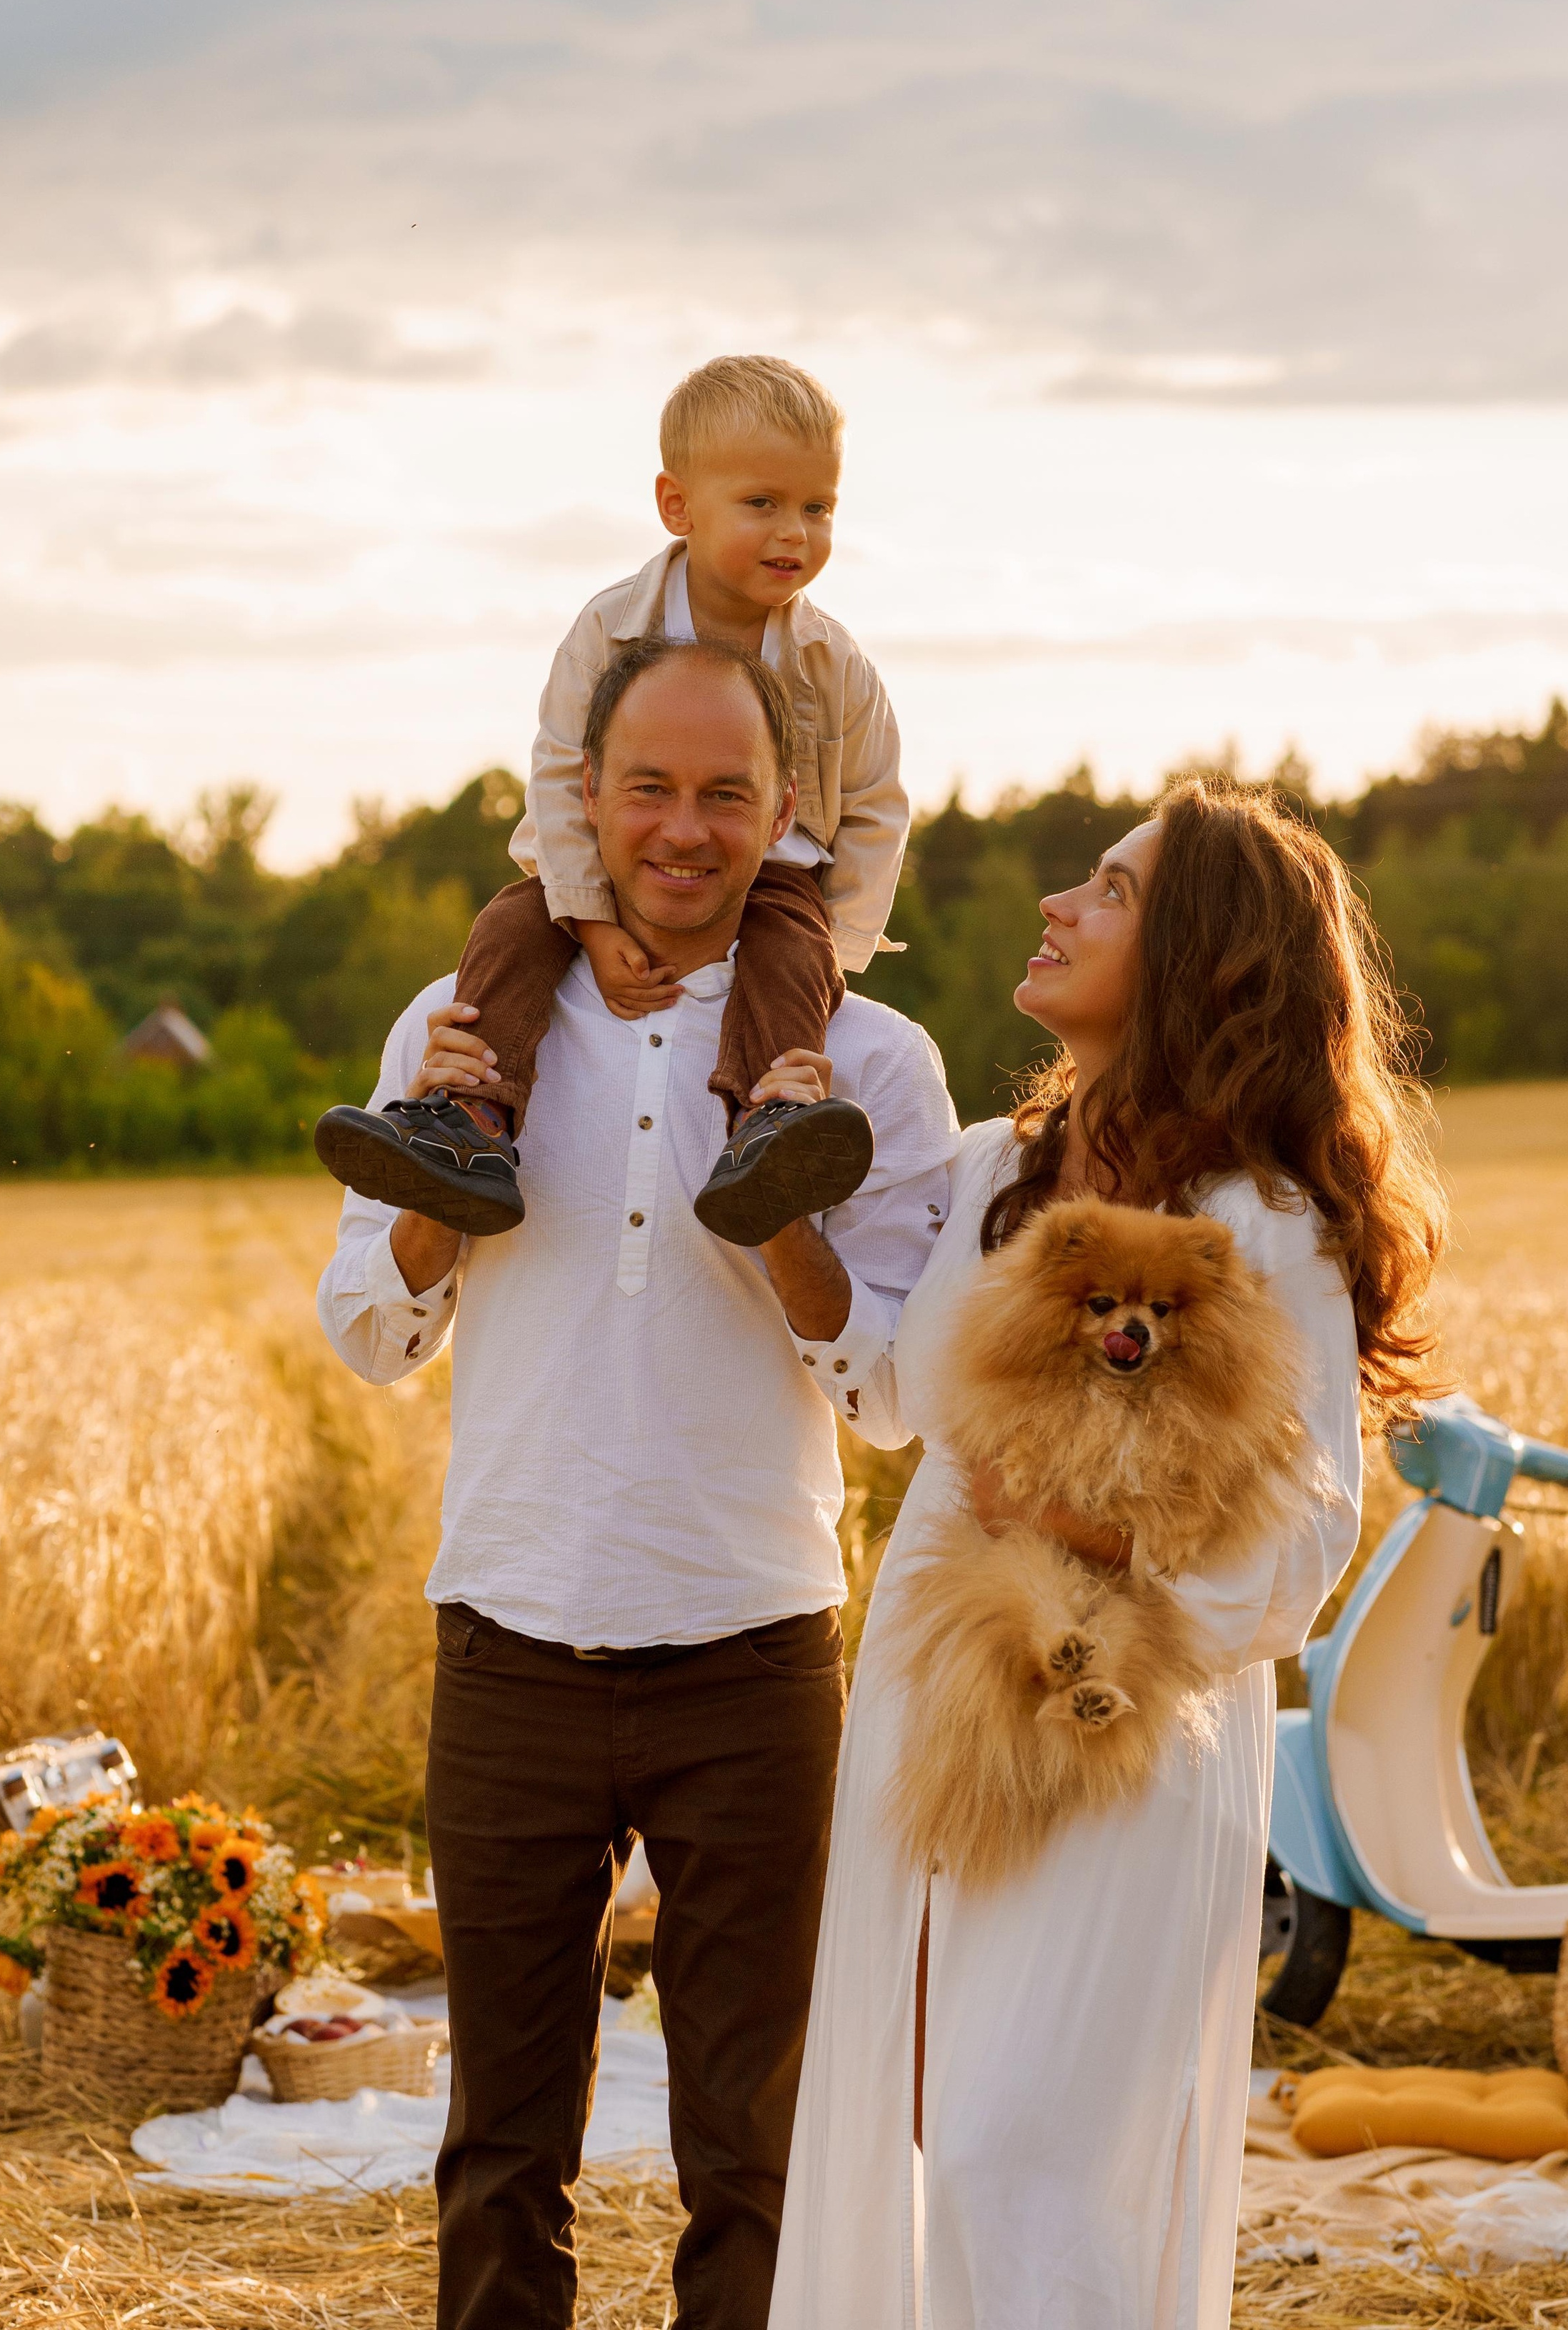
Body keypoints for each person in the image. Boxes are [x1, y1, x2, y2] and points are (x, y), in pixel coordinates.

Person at [315, 634, 957, 2330]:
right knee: (499, 2143)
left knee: (753, 2150)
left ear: (787, 809)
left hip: (751, 1652)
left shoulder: (872, 1064)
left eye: (724, 790)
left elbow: (893, 1394)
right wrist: (441, 1180)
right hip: (508, 1636)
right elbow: (370, 1334)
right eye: (649, 786)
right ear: (580, 800)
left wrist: (787, 1215)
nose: (682, 826)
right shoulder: (466, 1028)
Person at [767, 780, 1447, 2330]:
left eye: (1108, 890)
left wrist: (1080, 1532)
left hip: (1122, 1733)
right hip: (932, 1692)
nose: (1055, 906)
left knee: (1031, 2155)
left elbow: (1301, 1549)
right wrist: (786, 1222)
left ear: (1202, 952)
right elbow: (893, 1404)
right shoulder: (1001, 1167)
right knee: (922, 2129)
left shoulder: (1255, 1217)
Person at [314, 353, 909, 1251]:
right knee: (509, 933)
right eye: (762, 503)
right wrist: (588, 921)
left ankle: (769, 1127)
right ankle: (468, 1118)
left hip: (778, 879)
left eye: (818, 507)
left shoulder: (836, 663)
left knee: (787, 959)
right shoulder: (608, 628)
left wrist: (838, 947)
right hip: (596, 874)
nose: (796, 531)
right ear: (678, 506)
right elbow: (560, 776)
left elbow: (874, 807)